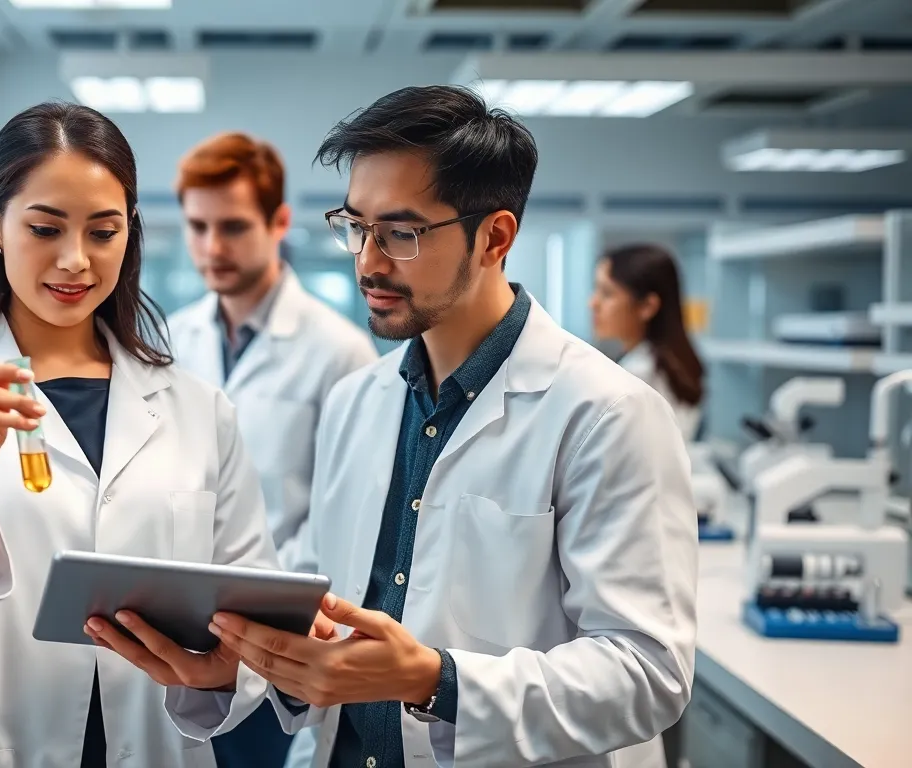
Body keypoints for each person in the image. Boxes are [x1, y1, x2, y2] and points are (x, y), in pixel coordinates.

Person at [90, 85, 698, 768]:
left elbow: (649, 674)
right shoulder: (357, 401)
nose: (368, 261)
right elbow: (325, 619)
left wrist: (435, 681)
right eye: (356, 226)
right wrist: (240, 667)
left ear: (495, 237)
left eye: (401, 234)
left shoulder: (607, 414)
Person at [0, 102, 277, 768]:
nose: (75, 261)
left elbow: (254, 618)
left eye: (103, 231)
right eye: (45, 227)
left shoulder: (197, 409)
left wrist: (221, 671)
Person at [166, 135, 379, 767]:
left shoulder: (338, 353)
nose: (213, 247)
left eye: (233, 226)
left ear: (279, 222)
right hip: (181, 633)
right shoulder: (171, 340)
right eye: (198, 227)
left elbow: (344, 515)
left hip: (277, 639)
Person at [590, 243, 706, 442]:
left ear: (647, 306)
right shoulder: (665, 362)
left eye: (607, 293)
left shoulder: (640, 377)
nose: (593, 303)